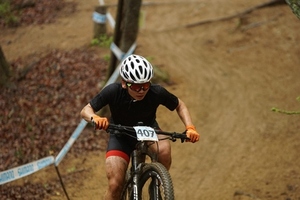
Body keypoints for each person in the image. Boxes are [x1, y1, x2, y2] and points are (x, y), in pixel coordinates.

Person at [80, 54, 200, 200]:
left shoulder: (156, 92)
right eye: (136, 86)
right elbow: (86, 110)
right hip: (121, 135)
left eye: (145, 85)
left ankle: (156, 181)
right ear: (125, 83)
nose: (141, 90)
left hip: (148, 130)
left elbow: (179, 105)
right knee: (115, 184)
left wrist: (190, 127)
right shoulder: (113, 91)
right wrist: (95, 118)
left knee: (164, 151)